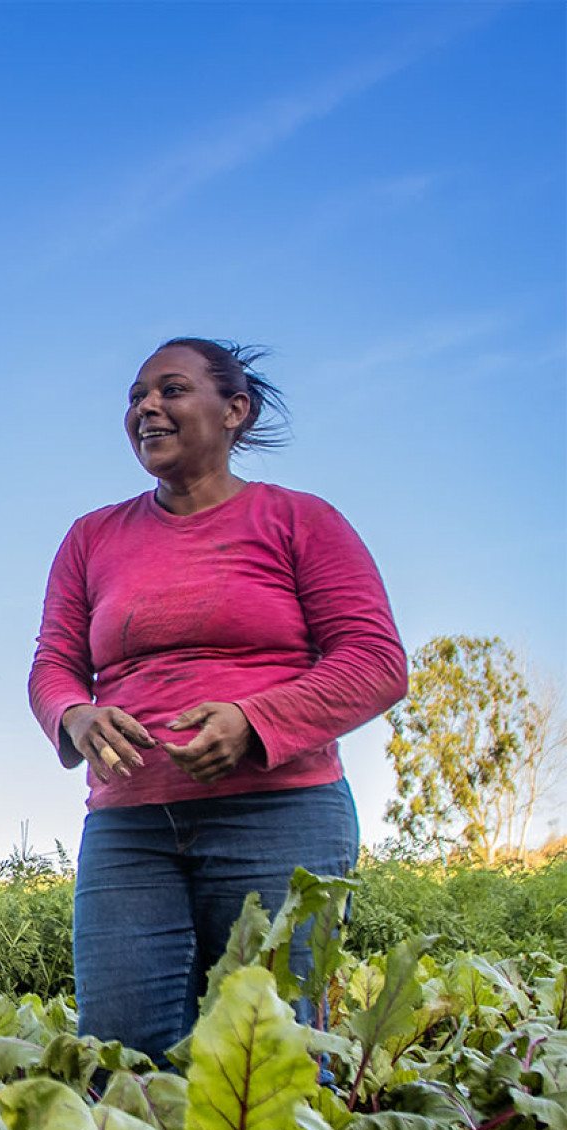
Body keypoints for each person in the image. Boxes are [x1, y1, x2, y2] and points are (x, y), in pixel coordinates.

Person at [27, 338, 407, 1061]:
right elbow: (54, 666)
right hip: (131, 827)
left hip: (279, 816)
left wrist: (253, 721)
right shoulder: (91, 537)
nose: (147, 407)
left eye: (171, 390)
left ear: (235, 410)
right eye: (136, 397)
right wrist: (75, 715)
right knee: (122, 1058)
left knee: (269, 1061)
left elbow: (375, 661)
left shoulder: (299, 519)